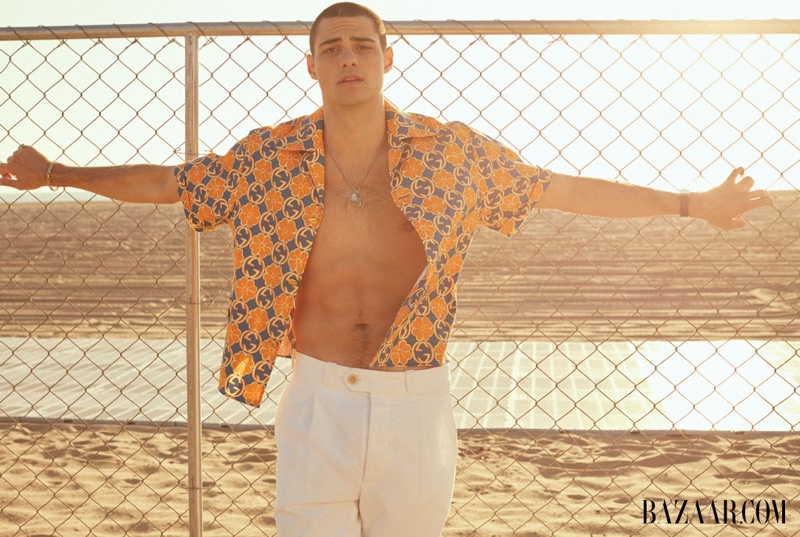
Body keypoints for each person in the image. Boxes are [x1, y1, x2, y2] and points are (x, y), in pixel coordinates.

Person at [0, 2, 772, 536]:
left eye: (362, 44)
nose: (348, 57)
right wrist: (59, 171)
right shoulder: (268, 158)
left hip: (417, 402)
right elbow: (173, 182)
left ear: (388, 58)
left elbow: (561, 188)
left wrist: (687, 204)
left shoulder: (452, 153)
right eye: (332, 46)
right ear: (311, 66)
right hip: (317, 400)